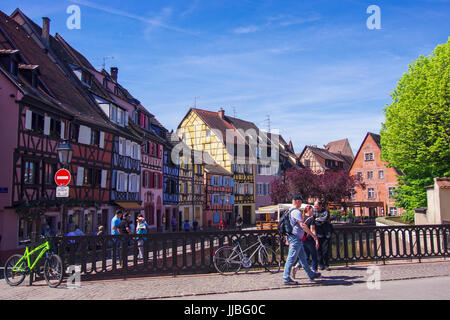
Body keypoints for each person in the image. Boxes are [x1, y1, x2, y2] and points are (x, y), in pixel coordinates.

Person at [282, 195, 321, 285]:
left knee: (303, 258)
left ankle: (311, 274)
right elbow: (303, 225)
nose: (301, 203)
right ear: (297, 201)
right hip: (295, 238)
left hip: (295, 238)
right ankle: (286, 278)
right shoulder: (296, 212)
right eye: (300, 201)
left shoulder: (289, 210)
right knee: (291, 258)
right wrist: (313, 236)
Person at [292, 205, 319, 278]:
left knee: (305, 257)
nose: (313, 211)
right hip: (310, 239)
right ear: (309, 210)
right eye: (312, 210)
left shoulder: (303, 218)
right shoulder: (311, 219)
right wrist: (316, 239)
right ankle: (314, 271)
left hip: (303, 239)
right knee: (314, 256)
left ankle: (296, 267)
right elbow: (312, 230)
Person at [314, 201, 333, 271]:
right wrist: (318, 221)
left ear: (320, 205)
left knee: (326, 250)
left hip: (326, 233)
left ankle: (326, 264)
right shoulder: (314, 212)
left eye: (316, 206)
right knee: (319, 250)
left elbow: (324, 219)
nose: (315, 208)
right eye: (315, 206)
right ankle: (320, 264)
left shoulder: (326, 212)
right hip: (318, 233)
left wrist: (318, 220)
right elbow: (313, 220)